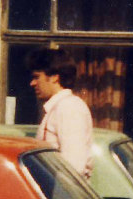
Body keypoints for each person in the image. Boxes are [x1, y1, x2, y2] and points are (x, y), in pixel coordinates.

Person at [28, 48, 93, 178]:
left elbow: (73, 167)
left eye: (37, 77)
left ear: (54, 78)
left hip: (63, 196)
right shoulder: (59, 107)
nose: (32, 83)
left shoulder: (68, 107)